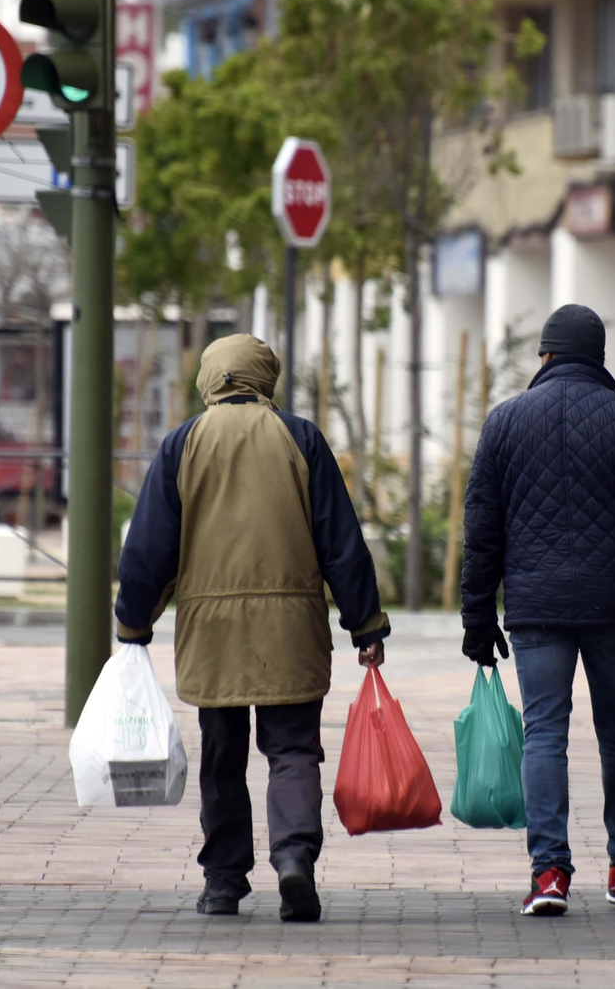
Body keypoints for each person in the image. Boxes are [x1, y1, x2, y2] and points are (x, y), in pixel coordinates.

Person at [114, 333, 389, 923]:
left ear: (210, 378)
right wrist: (364, 622)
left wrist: (133, 621)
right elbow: (340, 543)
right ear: (265, 377)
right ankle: (293, 859)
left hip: (212, 632)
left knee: (222, 756)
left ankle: (223, 882)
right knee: (293, 750)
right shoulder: (301, 438)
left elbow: (150, 548)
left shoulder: (182, 444)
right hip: (291, 627)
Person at [460, 303, 615, 917]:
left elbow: (481, 532)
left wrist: (477, 617)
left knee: (544, 733)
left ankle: (549, 876)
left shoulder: (505, 423)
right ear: (599, 359)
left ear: (545, 356)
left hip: (537, 609)